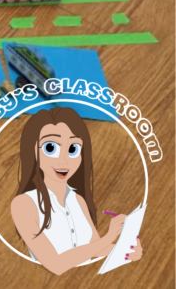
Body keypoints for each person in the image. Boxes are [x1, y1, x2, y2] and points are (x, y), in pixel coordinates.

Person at [10, 107, 144, 275]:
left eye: (73, 149)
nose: (63, 160)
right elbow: (55, 264)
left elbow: (92, 247)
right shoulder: (23, 205)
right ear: (33, 150)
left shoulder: (78, 199)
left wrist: (125, 249)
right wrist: (109, 238)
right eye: (50, 147)